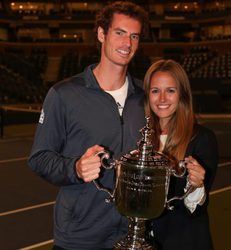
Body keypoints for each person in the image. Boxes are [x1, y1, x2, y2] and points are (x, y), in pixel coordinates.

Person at [28, 2, 149, 249]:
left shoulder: (145, 96)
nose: (127, 44)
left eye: (134, 36)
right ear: (101, 34)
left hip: (132, 234)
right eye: (119, 33)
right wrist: (76, 168)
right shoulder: (64, 94)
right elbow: (39, 158)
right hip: (79, 237)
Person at [143, 59, 218, 250]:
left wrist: (197, 186)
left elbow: (196, 210)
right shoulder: (141, 138)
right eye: (155, 91)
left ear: (182, 94)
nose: (162, 99)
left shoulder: (202, 139)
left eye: (170, 90)